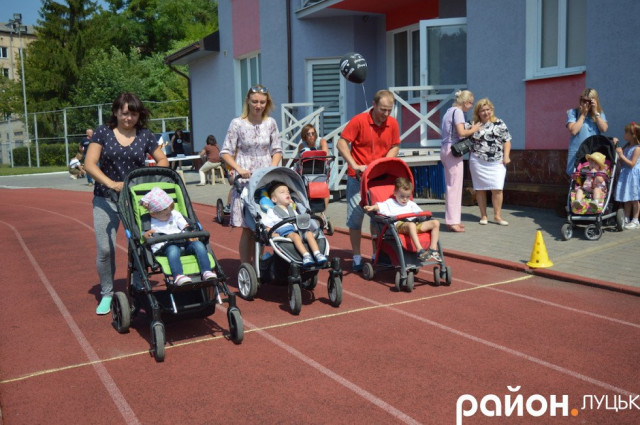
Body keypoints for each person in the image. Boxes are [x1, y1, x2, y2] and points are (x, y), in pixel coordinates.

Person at [84, 92, 169, 315]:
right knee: (105, 248)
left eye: (133, 114)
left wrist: (149, 180)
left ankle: (139, 282)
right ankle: (107, 292)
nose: (128, 118)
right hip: (106, 198)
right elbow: (90, 164)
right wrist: (111, 184)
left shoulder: (145, 135)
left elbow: (163, 160)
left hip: (135, 199)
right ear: (116, 112)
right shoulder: (103, 132)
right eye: (124, 113)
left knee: (141, 243)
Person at [337, 89, 400, 272]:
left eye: (389, 110)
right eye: (383, 109)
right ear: (374, 105)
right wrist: (354, 164)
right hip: (357, 179)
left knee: (378, 219)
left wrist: (384, 162)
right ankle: (356, 256)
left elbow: (395, 145)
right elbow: (341, 143)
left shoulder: (392, 123)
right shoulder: (359, 120)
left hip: (379, 179)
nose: (386, 114)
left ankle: (376, 254)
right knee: (355, 219)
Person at [220, 85, 283, 264]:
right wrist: (238, 169)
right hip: (245, 177)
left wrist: (272, 168)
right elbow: (225, 152)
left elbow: (277, 150)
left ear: (267, 103)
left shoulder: (271, 123)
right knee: (248, 228)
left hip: (265, 176)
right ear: (248, 101)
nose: (258, 105)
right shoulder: (237, 123)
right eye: (255, 101)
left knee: (262, 224)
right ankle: (245, 266)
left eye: (262, 102)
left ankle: (258, 263)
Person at [140, 187, 217, 285]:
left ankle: (206, 271)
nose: (169, 215)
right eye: (166, 214)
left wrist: (191, 234)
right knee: (173, 249)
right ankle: (178, 275)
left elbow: (185, 226)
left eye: (170, 212)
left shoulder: (174, 214)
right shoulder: (148, 221)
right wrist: (146, 235)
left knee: (199, 245)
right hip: (165, 247)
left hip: (184, 243)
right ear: (153, 214)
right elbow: (145, 236)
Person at [364, 177, 441, 262]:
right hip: (399, 225)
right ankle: (419, 250)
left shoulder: (411, 204)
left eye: (408, 196)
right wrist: (371, 207)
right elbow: (379, 206)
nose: (405, 199)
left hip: (414, 224)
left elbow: (421, 214)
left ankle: (433, 249)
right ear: (395, 193)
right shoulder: (390, 203)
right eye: (402, 196)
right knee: (411, 225)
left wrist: (426, 216)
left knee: (435, 223)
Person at [440, 90, 482, 233]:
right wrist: (474, 129)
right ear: (465, 102)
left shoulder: (449, 111)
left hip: (446, 149)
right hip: (453, 151)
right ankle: (452, 222)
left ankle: (453, 220)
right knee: (454, 187)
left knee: (453, 186)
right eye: (471, 103)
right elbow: (461, 133)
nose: (471, 106)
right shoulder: (458, 112)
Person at [262, 182, 327, 267]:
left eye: (288, 192)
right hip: (285, 230)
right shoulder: (272, 211)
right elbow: (267, 225)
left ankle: (317, 254)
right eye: (282, 192)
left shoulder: (292, 209)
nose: (287, 193)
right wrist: (272, 234)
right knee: (295, 236)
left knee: (309, 234)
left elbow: (299, 219)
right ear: (274, 199)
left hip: (297, 229)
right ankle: (306, 255)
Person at [468, 98, 512, 226]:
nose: (486, 112)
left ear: (491, 110)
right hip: (477, 160)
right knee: (480, 189)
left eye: (488, 109)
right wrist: (472, 129)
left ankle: (497, 216)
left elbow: (507, 141)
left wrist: (506, 156)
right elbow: (462, 135)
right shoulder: (473, 124)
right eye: (482, 110)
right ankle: (483, 215)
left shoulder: (499, 123)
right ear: (478, 112)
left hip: (497, 161)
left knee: (497, 189)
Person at [566, 88, 608, 175]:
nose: (586, 104)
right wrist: (583, 114)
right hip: (577, 151)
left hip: (593, 152)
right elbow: (573, 131)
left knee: (591, 174)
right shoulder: (573, 112)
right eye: (583, 100)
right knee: (576, 175)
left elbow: (604, 129)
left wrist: (595, 112)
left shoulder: (599, 113)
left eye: (589, 101)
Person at [614, 122, 640, 229]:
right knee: (627, 198)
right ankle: (626, 218)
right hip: (625, 174)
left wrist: (621, 155)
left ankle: (635, 220)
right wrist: (617, 149)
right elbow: (622, 162)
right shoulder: (627, 147)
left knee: (634, 198)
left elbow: (632, 164)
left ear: (633, 135)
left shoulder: (637, 148)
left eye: (626, 132)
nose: (624, 134)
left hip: (632, 176)